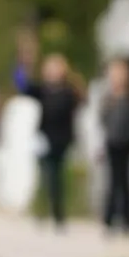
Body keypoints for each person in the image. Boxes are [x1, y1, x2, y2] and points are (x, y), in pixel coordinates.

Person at [16, 53, 81, 229]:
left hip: (61, 140)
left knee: (56, 177)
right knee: (46, 176)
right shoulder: (43, 90)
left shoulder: (69, 92)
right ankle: (42, 212)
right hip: (44, 140)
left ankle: (57, 215)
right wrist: (22, 65)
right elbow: (22, 86)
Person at [98, 57, 129, 234]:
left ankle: (128, 220)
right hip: (112, 142)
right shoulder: (108, 97)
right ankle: (109, 219)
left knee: (126, 182)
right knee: (113, 182)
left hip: (127, 142)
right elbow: (102, 120)